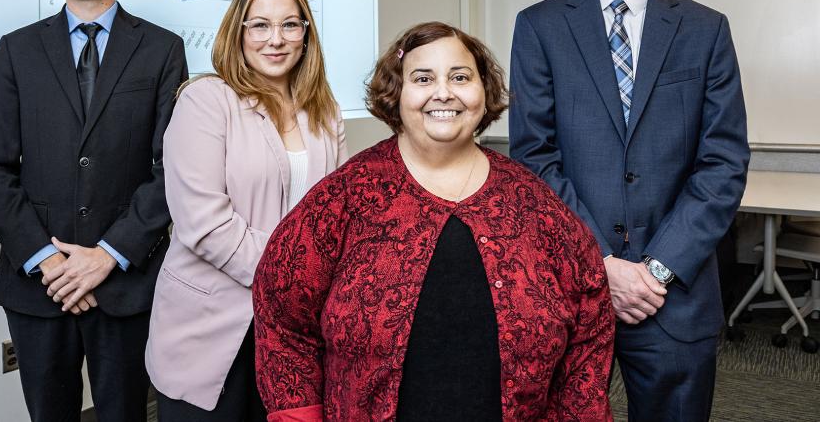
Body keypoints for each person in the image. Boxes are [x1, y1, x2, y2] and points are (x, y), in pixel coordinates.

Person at [253, 21, 614, 422]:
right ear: (397, 93)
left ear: (483, 91)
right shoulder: (345, 197)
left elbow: (590, 321)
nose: (443, 92)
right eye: (423, 78)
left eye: (460, 77)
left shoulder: (535, 205)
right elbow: (281, 313)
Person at [508, 0, 750, 421]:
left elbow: (723, 162)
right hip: (571, 286)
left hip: (674, 295)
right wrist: (602, 264)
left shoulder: (705, 28)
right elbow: (535, 158)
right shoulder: (540, 26)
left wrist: (656, 269)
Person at [0, 0, 188, 422]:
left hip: (124, 283)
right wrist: (51, 265)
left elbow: (172, 170)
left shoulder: (162, 49)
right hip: (38, 286)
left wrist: (106, 256)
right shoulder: (16, 50)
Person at [145, 0, 348, 421]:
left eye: (290, 25)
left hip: (297, 331)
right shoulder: (204, 100)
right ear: (238, 31)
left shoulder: (324, 111)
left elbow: (338, 216)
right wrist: (297, 278)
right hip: (210, 328)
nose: (275, 39)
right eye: (260, 25)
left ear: (306, 33)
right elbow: (206, 225)